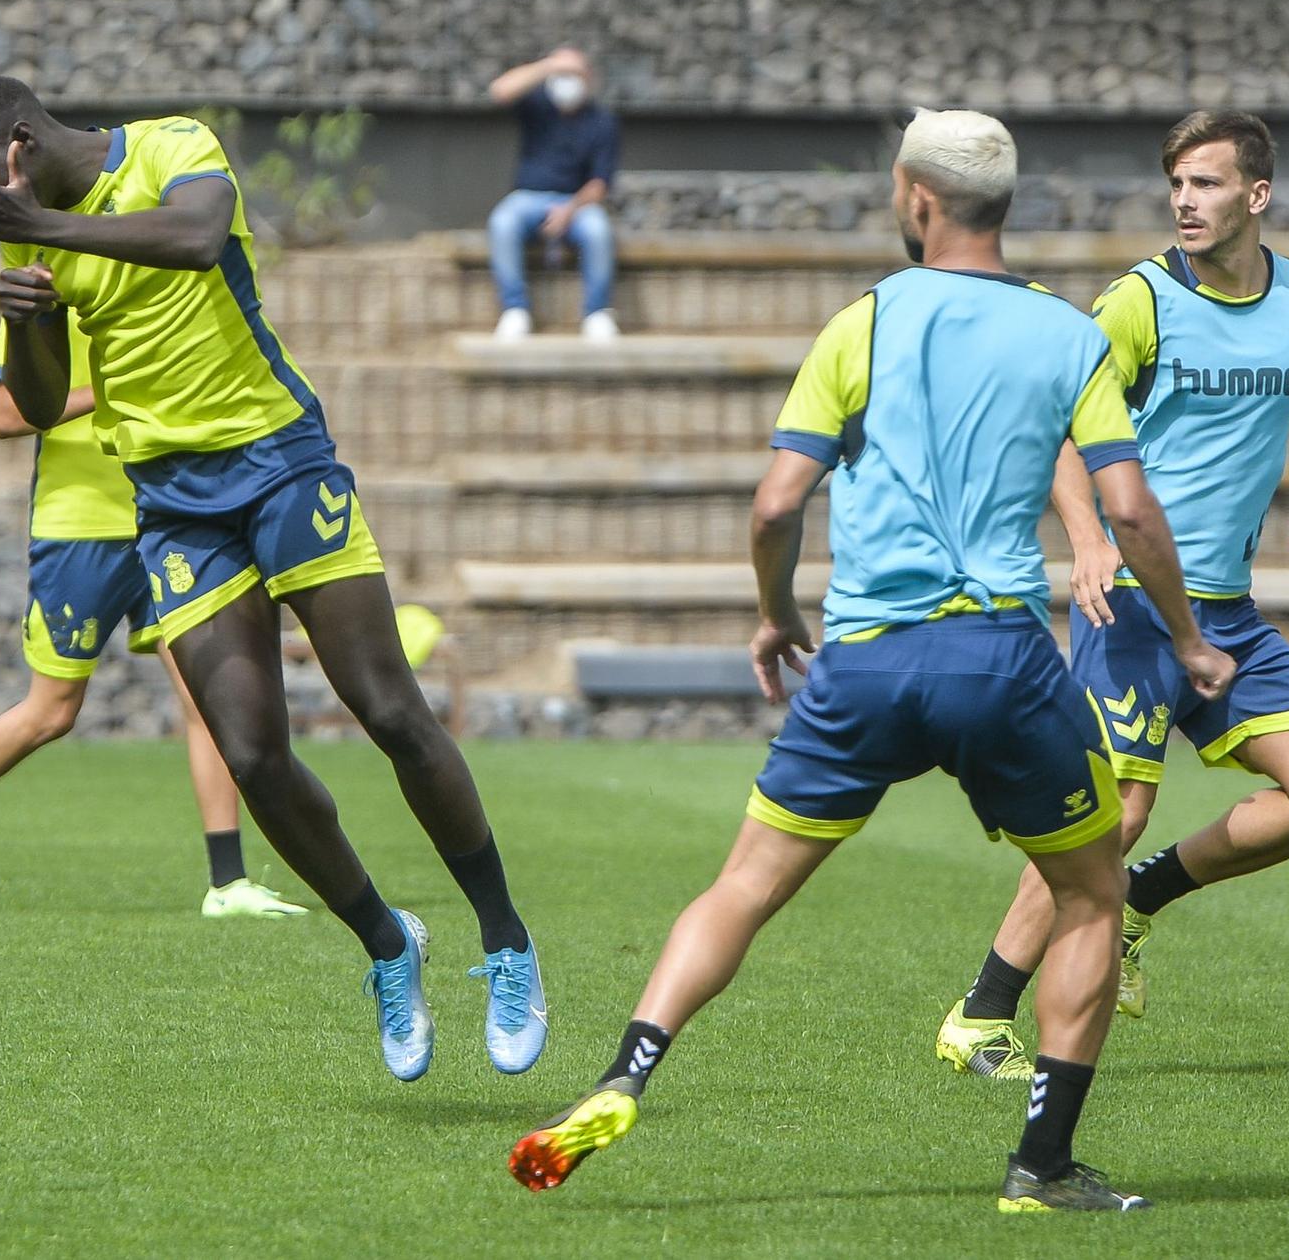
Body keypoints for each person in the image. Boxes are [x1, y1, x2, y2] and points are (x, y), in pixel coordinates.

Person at [506, 109, 1233, 1212]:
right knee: (1089, 894)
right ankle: (1038, 1167)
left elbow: (773, 505)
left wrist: (771, 614)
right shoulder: (1065, 335)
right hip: (998, 660)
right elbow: (1128, 510)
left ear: (915, 198)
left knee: (742, 885)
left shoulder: (862, 323)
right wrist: (1184, 636)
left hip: (862, 660)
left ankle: (623, 1074)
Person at [0, 75, 545, 1082]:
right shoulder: (29, 236)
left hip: (280, 462)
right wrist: (28, 313)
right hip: (172, 504)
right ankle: (387, 944)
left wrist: (41, 228)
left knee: (388, 708)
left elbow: (194, 238)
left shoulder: (171, 145)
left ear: (21, 146)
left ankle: (506, 938)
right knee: (252, 754)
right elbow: (35, 408)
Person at [935, 111, 1289, 1084]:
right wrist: (1085, 539)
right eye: (1175, 182)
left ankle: (1139, 903)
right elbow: (1056, 425)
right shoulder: (1136, 301)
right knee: (1108, 814)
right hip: (1128, 602)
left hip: (1229, 616)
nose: (1183, 199)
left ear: (1255, 195)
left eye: (1206, 183)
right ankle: (978, 1014)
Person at [0, 317, 304, 921]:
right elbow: (6, 414)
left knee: (206, 699)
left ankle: (227, 882)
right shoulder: (42, 307)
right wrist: (113, 393)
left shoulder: (157, 302)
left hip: (169, 520)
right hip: (77, 530)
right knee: (53, 712)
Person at [485, 46, 621, 342]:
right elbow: (499, 90)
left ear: (589, 78)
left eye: (574, 74)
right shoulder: (538, 106)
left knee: (598, 230)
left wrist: (570, 210)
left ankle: (597, 313)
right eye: (562, 75)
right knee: (502, 222)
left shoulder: (602, 121)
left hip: (576, 203)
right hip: (527, 197)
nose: (567, 81)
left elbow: (600, 184)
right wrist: (548, 65)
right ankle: (515, 310)